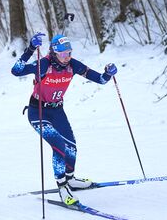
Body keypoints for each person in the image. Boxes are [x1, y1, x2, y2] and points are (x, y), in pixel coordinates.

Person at [11, 32, 118, 205]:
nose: (67, 57)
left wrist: (108, 73)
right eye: (62, 53)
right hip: (38, 111)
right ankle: (62, 187)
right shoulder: (43, 64)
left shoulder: (73, 65)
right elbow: (16, 71)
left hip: (57, 111)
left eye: (69, 53)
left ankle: (70, 179)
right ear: (54, 52)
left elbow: (100, 79)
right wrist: (30, 48)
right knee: (58, 146)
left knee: (71, 147)